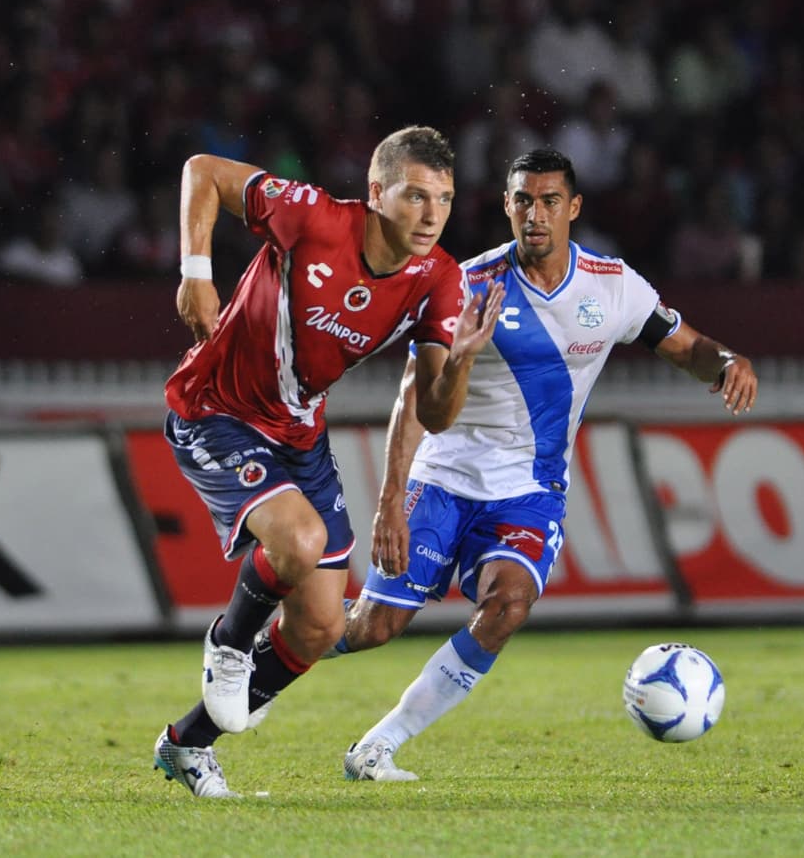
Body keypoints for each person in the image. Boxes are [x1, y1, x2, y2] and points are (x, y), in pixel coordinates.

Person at [334, 148, 758, 781]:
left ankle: (378, 746)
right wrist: (392, 499)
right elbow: (414, 399)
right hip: (445, 478)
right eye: (524, 200)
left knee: (507, 606)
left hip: (529, 492)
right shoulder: (467, 284)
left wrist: (726, 362)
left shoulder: (613, 285)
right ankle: (257, 653)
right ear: (507, 206)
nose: (536, 214)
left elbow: (685, 345)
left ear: (573, 208)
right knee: (373, 627)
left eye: (550, 201)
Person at [153, 126, 506, 798]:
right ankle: (228, 644)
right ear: (377, 192)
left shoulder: (440, 279)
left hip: (298, 435)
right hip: (217, 409)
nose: (432, 214)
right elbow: (203, 170)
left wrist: (460, 359)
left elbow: (435, 413)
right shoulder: (312, 215)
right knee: (301, 541)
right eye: (415, 195)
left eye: (445, 199)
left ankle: (187, 743)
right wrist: (195, 273)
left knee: (319, 623)